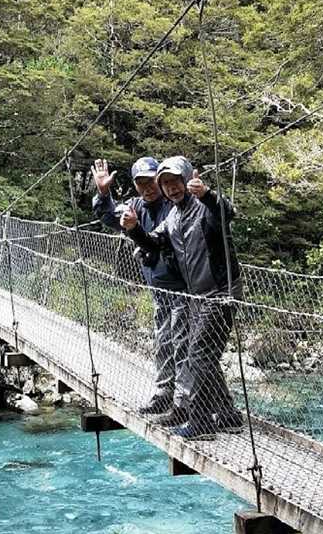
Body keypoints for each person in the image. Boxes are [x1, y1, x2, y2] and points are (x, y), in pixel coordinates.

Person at [120, 155, 243, 440]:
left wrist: (209, 195)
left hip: (222, 293)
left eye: (176, 182)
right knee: (204, 355)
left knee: (198, 354)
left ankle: (200, 423)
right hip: (198, 295)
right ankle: (227, 415)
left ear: (188, 180)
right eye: (166, 184)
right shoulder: (173, 216)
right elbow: (153, 241)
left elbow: (228, 213)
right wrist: (134, 229)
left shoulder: (205, 207)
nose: (172, 189)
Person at [91, 157, 189, 424]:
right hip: (158, 288)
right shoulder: (134, 206)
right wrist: (103, 192)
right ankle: (164, 394)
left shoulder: (174, 204)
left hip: (183, 287)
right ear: (136, 185)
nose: (148, 188)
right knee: (163, 341)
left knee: (182, 345)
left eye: (151, 181)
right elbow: (109, 217)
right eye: (141, 183)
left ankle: (183, 403)